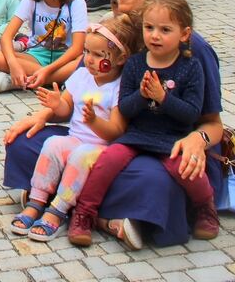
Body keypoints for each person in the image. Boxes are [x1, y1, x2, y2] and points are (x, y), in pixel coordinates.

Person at [4, 0, 225, 248]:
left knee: (155, 180)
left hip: (163, 147)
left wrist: (197, 140)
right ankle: (102, 215)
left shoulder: (192, 49)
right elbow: (80, 90)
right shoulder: (109, 30)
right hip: (107, 141)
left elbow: (213, 124)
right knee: (24, 142)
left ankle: (69, 204)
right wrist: (45, 114)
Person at [69, 0, 219, 246]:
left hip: (172, 137)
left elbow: (192, 113)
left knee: (185, 169)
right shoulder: (136, 64)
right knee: (108, 161)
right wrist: (142, 94)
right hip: (137, 135)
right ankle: (84, 213)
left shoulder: (191, 66)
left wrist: (163, 98)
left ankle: (205, 209)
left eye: (165, 29)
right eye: (149, 28)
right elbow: (125, 108)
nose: (155, 35)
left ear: (184, 34)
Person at [7, 13, 138, 239]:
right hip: (75, 138)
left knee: (81, 156)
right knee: (53, 144)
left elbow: (117, 129)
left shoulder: (119, 87)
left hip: (100, 147)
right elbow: (67, 107)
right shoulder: (82, 76)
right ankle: (36, 199)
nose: (89, 60)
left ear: (120, 58)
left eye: (99, 55)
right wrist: (57, 105)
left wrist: (95, 122)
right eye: (87, 52)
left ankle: (58, 210)